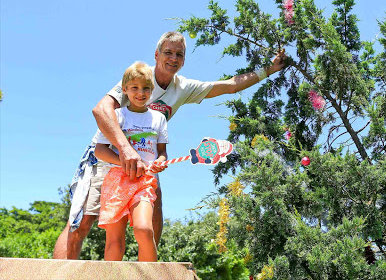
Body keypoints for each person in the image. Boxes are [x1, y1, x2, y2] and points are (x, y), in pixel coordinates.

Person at [53, 31, 286, 259]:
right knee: (81, 223)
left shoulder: (183, 88)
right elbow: (101, 109)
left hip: (145, 162)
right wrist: (125, 150)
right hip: (106, 156)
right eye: (168, 52)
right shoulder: (139, 78)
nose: (173, 58)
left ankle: (151, 272)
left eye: (179, 54)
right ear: (156, 55)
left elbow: (231, 85)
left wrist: (270, 69)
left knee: (152, 217)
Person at [94, 61, 167, 261]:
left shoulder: (159, 119)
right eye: (134, 87)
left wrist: (161, 162)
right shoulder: (116, 116)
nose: (140, 93)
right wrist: (124, 163)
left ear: (152, 90)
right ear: (124, 89)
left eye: (145, 88)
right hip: (117, 180)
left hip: (144, 182)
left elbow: (162, 152)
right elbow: (100, 150)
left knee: (144, 230)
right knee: (114, 241)